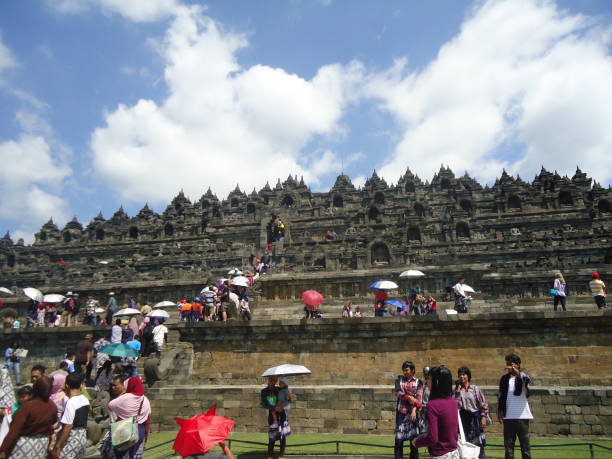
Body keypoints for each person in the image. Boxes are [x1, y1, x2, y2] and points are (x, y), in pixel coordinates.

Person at [0, 376, 57, 458]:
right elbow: (52, 425)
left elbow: (14, 431)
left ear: (35, 389)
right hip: (41, 446)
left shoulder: (27, 407)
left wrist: (3, 449)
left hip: (24, 446)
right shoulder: (52, 406)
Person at [413, 366, 459, 459]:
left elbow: (433, 438)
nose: (427, 382)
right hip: (454, 452)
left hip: (440, 454)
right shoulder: (452, 401)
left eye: (429, 379)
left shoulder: (433, 405)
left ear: (436, 382)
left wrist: (417, 442)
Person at [107, 377, 152, 459]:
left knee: (120, 454)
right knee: (135, 455)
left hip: (124, 429)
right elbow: (148, 420)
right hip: (139, 430)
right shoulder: (145, 399)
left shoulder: (125, 397)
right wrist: (146, 438)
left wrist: (122, 394)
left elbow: (110, 405)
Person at [498, 354, 532, 459]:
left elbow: (527, 384)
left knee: (525, 447)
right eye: (507, 364)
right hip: (508, 417)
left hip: (522, 417)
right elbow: (501, 396)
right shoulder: (504, 379)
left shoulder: (524, 377)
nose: (508, 367)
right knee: (508, 448)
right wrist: (499, 410)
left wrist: (518, 374)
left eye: (511, 364)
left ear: (518, 365)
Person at [52, 372, 89, 459]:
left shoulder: (71, 402)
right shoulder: (85, 399)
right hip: (82, 437)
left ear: (67, 386)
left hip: (72, 438)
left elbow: (68, 425)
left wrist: (58, 445)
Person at [455, 366, 489, 458]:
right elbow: (456, 406)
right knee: (465, 442)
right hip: (463, 419)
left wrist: (484, 417)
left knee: (478, 442)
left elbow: (483, 403)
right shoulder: (458, 391)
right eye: (460, 375)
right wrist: (457, 392)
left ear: (468, 376)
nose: (462, 377)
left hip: (475, 419)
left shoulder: (474, 389)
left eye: (464, 374)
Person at [394, 361, 423, 459]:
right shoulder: (399, 380)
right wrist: (409, 397)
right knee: (399, 440)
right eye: (403, 370)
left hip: (413, 414)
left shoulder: (418, 382)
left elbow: (419, 399)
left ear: (412, 370)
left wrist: (414, 410)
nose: (405, 372)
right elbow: (398, 392)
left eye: (406, 370)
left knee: (414, 440)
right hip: (401, 413)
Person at [260, 376, 289, 459]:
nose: (272, 381)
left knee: (282, 437)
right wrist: (274, 408)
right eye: (270, 380)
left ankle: (281, 455)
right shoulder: (264, 391)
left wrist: (288, 398)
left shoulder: (279, 389)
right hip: (272, 417)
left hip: (282, 415)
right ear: (268, 381)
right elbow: (264, 403)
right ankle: (270, 456)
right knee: (272, 437)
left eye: (274, 380)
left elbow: (286, 398)